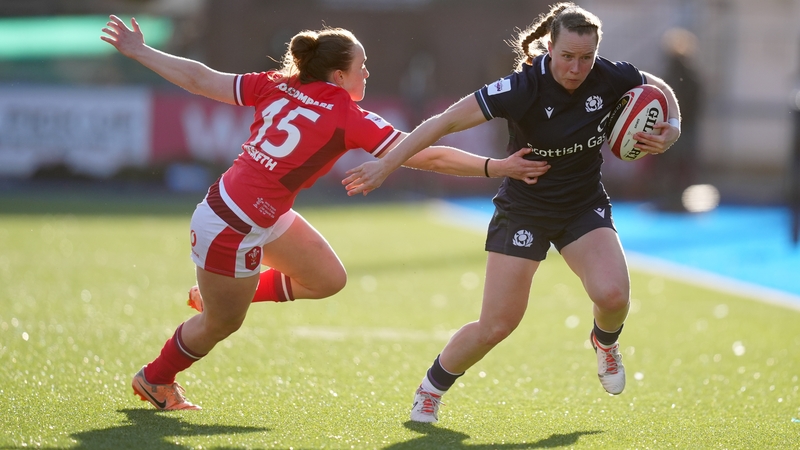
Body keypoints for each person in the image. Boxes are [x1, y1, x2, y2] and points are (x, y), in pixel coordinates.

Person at [100, 15, 548, 410]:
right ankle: (156, 378)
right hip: (231, 226)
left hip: (252, 213)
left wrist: (140, 51)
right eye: (362, 66)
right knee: (220, 324)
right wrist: (499, 167)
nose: (368, 72)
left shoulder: (277, 83)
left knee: (328, 279)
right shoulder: (344, 114)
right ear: (338, 74)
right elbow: (428, 156)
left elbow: (201, 78)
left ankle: (227, 292)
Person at [343, 2, 682, 423]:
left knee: (614, 297)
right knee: (497, 325)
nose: (577, 68)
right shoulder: (520, 87)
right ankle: (431, 388)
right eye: (567, 57)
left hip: (582, 203)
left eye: (586, 57)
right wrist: (386, 164)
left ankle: (605, 343)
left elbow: (659, 89)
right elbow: (444, 122)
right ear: (548, 48)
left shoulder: (610, 74)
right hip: (525, 208)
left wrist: (674, 128)